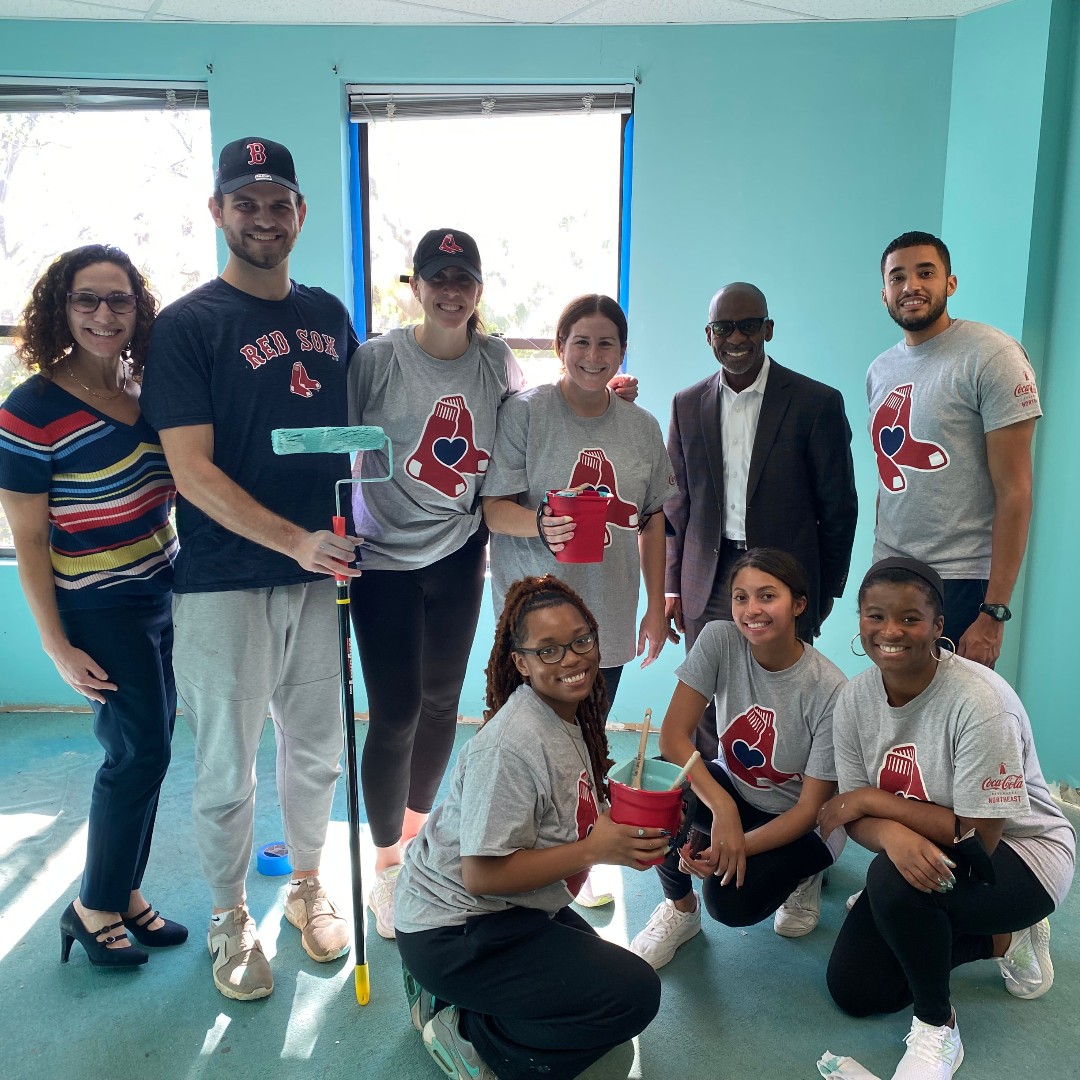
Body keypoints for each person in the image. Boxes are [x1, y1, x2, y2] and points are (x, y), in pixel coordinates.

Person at [348, 235, 638, 938]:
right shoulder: (378, 359)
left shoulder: (494, 360)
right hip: (381, 558)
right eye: (438, 278)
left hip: (456, 552)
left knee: (443, 704)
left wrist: (603, 391)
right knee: (393, 714)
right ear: (415, 285)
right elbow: (331, 439)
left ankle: (419, 838)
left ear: (478, 291)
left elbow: (536, 414)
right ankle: (385, 863)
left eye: (465, 280)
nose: (452, 291)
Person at [140, 137, 361, 1001]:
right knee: (228, 766)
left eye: (279, 203)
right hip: (224, 582)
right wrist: (295, 540)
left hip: (319, 578)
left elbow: (379, 418)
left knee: (316, 753)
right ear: (218, 211)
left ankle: (307, 885)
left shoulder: (331, 314)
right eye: (246, 202)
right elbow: (191, 471)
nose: (263, 218)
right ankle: (232, 915)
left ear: (300, 214)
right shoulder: (189, 326)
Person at [394, 575, 663, 1080]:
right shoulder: (510, 746)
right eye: (549, 650)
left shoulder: (569, 713)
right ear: (520, 663)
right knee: (632, 997)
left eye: (582, 640)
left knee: (599, 987)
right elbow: (482, 877)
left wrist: (628, 832)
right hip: (453, 929)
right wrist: (594, 850)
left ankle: (458, 998)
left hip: (510, 908)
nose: (573, 659)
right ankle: (466, 1030)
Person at [0, 244, 186, 968]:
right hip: (98, 608)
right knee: (136, 752)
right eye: (87, 300)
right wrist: (55, 644)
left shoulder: (145, 393)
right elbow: (28, 535)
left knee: (154, 750)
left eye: (119, 300)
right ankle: (94, 906)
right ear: (60, 309)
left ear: (138, 309)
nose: (104, 314)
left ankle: (122, 890)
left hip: (162, 592)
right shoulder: (31, 409)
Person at [820, 557, 1074, 1080]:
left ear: (939, 627)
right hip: (933, 851)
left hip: (1020, 857)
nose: (890, 631)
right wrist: (883, 824)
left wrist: (873, 802)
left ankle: (938, 1027)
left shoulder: (980, 702)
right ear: (860, 622)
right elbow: (851, 815)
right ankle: (1003, 941)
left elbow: (980, 836)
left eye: (910, 618)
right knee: (858, 990)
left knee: (892, 879)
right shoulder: (852, 699)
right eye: (875, 616)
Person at [665, 281, 857, 761]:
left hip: (785, 575)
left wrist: (824, 588)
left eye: (748, 326)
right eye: (723, 327)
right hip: (706, 578)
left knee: (782, 697)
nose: (736, 338)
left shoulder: (816, 403)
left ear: (768, 329)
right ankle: (709, 810)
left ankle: (775, 814)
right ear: (708, 335)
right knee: (707, 699)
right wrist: (671, 586)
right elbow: (675, 506)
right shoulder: (686, 405)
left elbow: (839, 507)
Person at [629, 548, 846, 970]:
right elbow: (674, 738)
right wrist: (722, 807)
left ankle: (805, 876)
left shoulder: (830, 689)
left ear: (799, 604)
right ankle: (679, 909)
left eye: (768, 596)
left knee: (730, 905)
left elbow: (808, 810)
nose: (751, 610)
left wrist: (735, 845)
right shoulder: (720, 639)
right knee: (660, 787)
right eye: (741, 597)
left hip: (804, 824)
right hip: (738, 792)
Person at [482, 293, 677, 709]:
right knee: (525, 743)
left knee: (590, 740)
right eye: (581, 342)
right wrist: (540, 522)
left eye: (606, 343)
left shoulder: (642, 428)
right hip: (534, 620)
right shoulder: (525, 414)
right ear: (560, 347)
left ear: (623, 351)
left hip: (607, 614)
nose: (593, 355)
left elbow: (652, 517)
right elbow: (495, 510)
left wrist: (655, 606)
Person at [869, 231, 1041, 667]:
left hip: (961, 580)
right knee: (895, 716)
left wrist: (995, 611)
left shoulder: (991, 356)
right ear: (884, 292)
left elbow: (1015, 491)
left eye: (926, 272)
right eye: (898, 277)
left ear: (950, 283)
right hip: (891, 573)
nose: (911, 286)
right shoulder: (880, 370)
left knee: (954, 725)